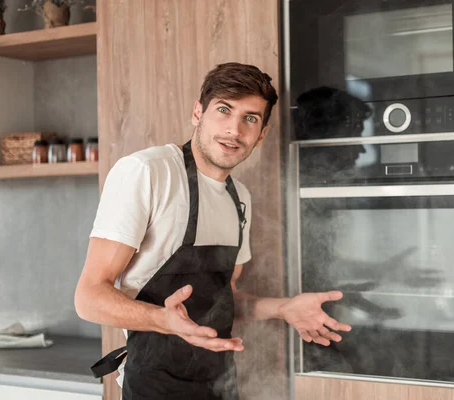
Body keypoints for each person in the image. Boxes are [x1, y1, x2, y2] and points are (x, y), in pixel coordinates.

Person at [74, 62, 351, 400]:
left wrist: (283, 308)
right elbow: (89, 297)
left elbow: (223, 301)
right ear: (198, 113)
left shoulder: (240, 199)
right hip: (153, 386)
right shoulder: (148, 173)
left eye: (250, 118)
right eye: (224, 110)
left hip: (220, 385)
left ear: (261, 133)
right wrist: (164, 320)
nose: (234, 130)